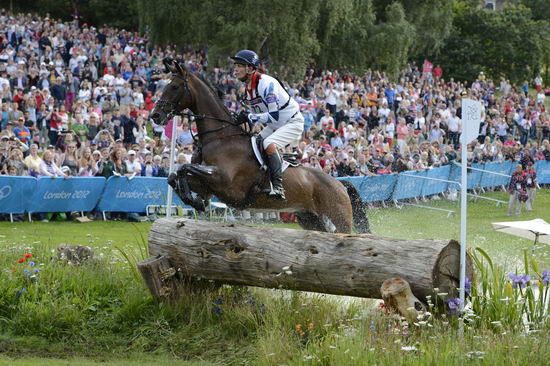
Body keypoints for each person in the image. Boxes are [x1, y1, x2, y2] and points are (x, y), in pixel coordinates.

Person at [231, 50, 304, 200]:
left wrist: (251, 116)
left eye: (240, 65)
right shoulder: (248, 90)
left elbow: (273, 115)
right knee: (253, 143)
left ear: (250, 68)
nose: (235, 69)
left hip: (292, 122)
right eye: (235, 65)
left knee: (269, 143)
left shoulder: (266, 84)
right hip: (276, 125)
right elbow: (261, 118)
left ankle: (278, 187)